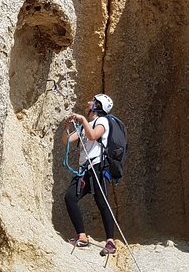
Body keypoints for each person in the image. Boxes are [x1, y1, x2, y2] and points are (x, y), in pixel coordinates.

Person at [62, 93, 117, 256]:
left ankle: (111, 242)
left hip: (98, 167)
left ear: (98, 106)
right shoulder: (86, 125)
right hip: (85, 169)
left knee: (101, 201)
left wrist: (83, 120)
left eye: (92, 101)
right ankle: (82, 236)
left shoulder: (103, 121)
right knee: (70, 197)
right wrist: (68, 126)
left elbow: (93, 136)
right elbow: (66, 141)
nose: (88, 102)